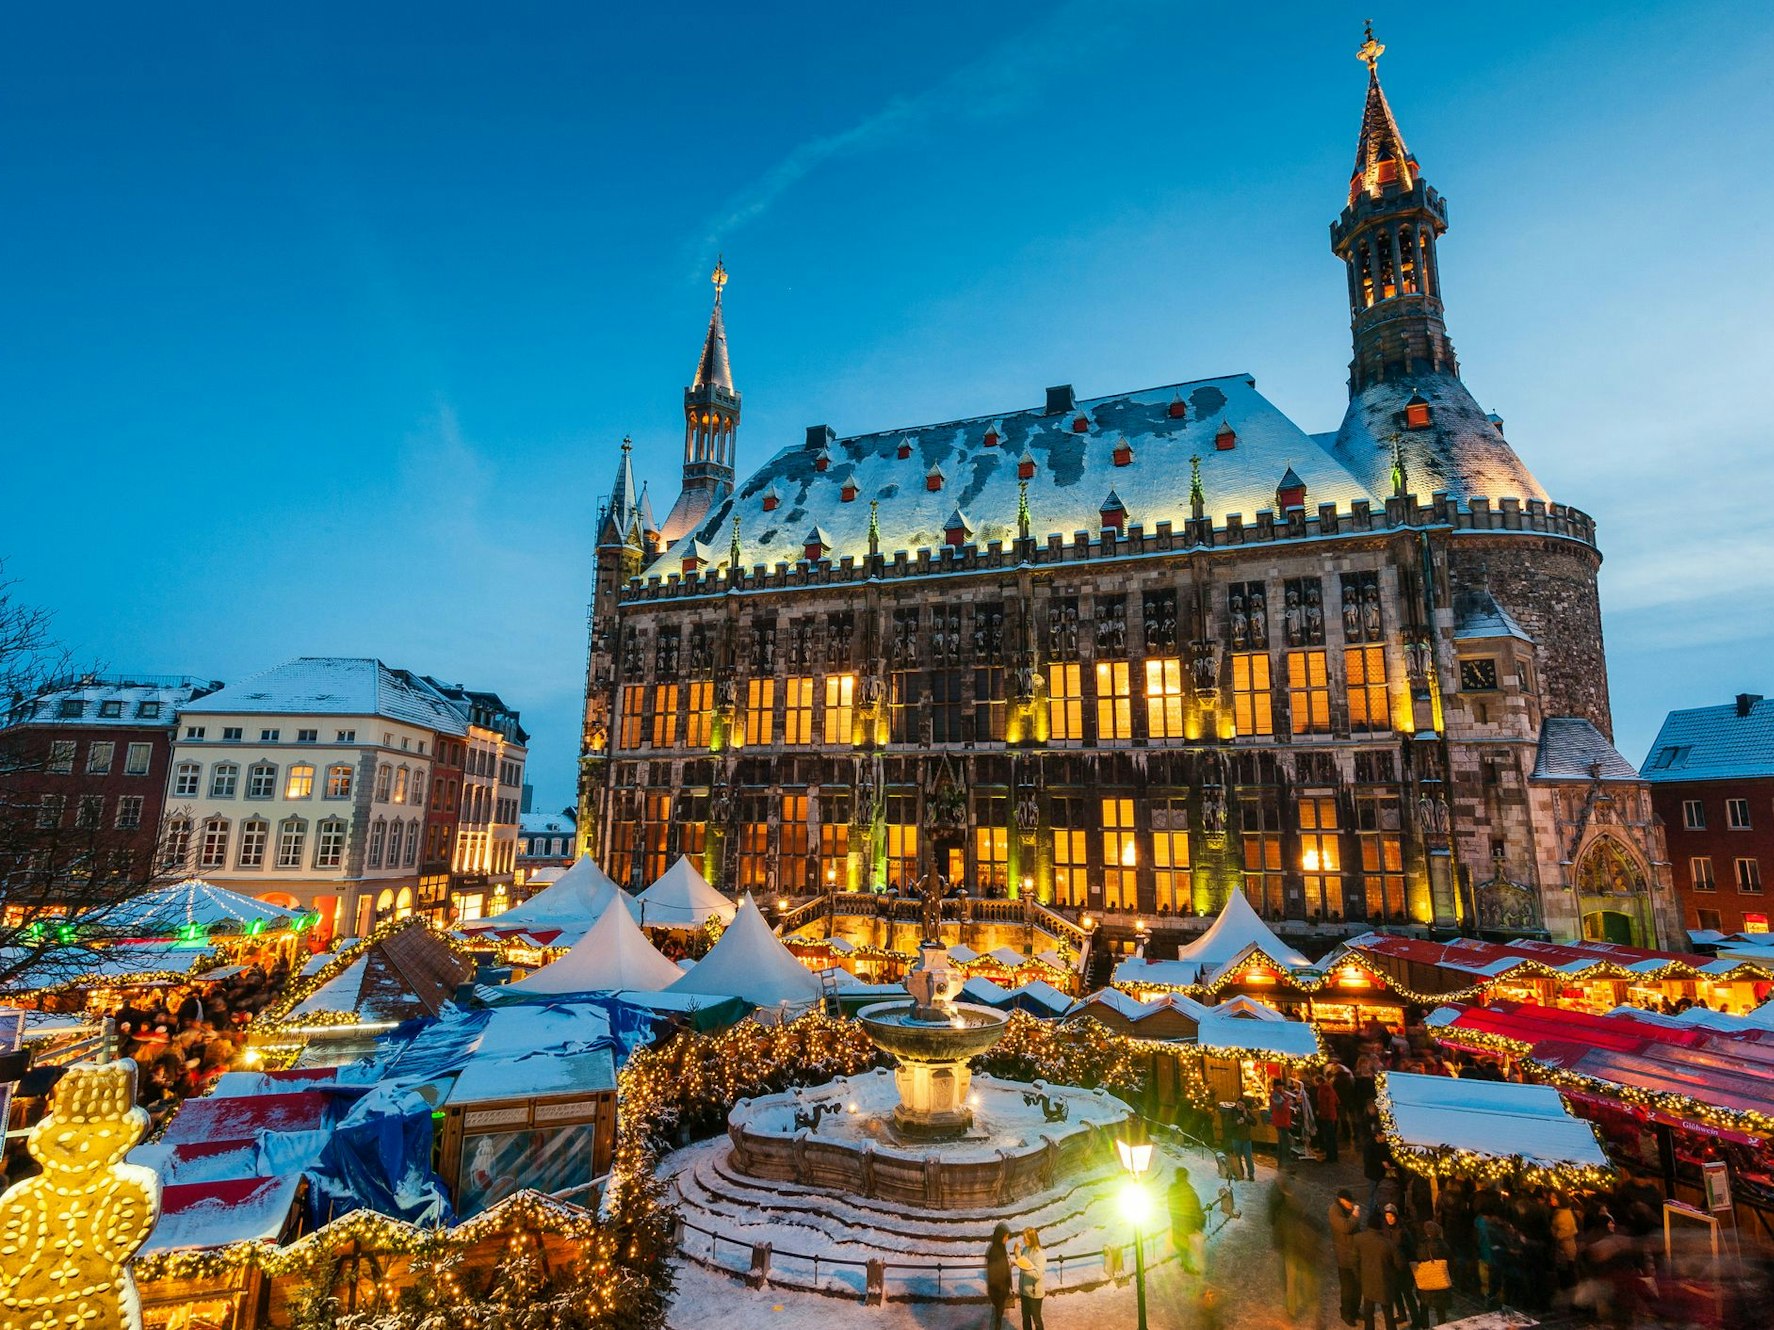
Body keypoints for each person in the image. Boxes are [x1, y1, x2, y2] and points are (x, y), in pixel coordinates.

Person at [1270, 1168, 1326, 1326]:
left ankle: (1292, 1312)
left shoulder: (1285, 1213)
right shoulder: (1306, 1211)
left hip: (1293, 1253)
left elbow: (1279, 1232)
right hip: (1304, 1254)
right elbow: (1320, 1228)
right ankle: (1315, 1315)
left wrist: (1280, 1246)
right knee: (1309, 1286)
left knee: (1293, 1283)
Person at [1355, 1211, 1402, 1330]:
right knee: (1388, 1314)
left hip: (1367, 1282)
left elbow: (1354, 1261)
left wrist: (1359, 1277)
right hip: (1384, 1283)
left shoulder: (1358, 1239)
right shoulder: (1389, 1244)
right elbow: (1400, 1265)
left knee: (1369, 1313)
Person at [1329, 1188, 1364, 1327]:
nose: (1352, 1204)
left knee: (1357, 1285)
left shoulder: (1345, 1209)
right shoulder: (1334, 1211)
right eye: (1350, 1202)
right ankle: (1346, 1313)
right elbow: (1346, 1227)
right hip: (1344, 1255)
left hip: (1355, 1254)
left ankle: (1355, 1310)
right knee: (1348, 1287)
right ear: (1342, 1200)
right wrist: (1355, 1215)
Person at [1412, 1220, 1454, 1327]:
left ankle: (1425, 1326)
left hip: (1426, 1282)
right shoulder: (1444, 1245)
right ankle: (1442, 1327)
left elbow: (1418, 1259)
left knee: (1424, 1307)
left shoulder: (1423, 1245)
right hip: (1440, 1282)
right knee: (1440, 1311)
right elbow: (1451, 1262)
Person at [1170, 1169, 1207, 1273]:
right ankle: (1187, 1266)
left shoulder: (1173, 1189)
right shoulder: (1188, 1191)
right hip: (1186, 1223)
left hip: (1177, 1222)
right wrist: (1199, 1222)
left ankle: (1184, 1262)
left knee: (1181, 1243)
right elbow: (1195, 1208)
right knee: (1185, 1244)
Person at [1014, 1227, 1046, 1330]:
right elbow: (1022, 1262)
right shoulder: (1026, 1249)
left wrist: (1022, 1268)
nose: (1024, 1240)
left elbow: (1037, 1274)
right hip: (1024, 1292)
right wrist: (1017, 1252)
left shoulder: (1039, 1254)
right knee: (1025, 1318)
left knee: (1036, 1320)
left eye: (1026, 1238)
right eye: (1023, 1238)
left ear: (1032, 1239)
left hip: (1035, 1294)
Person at [985, 1222, 1013, 1330]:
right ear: (1000, 1236)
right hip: (998, 1290)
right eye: (1005, 1237)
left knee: (998, 1316)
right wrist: (1002, 1288)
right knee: (998, 1318)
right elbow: (994, 1273)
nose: (1007, 1239)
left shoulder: (1001, 1248)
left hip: (1001, 1289)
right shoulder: (995, 1251)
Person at [1316, 1072, 1342, 1163]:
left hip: (1327, 1116)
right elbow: (1336, 1101)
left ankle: (1331, 1157)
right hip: (1330, 1115)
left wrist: (1324, 1113)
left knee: (1329, 1137)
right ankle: (1333, 1156)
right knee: (1331, 1137)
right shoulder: (1329, 1087)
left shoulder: (1324, 1088)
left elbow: (1325, 1103)